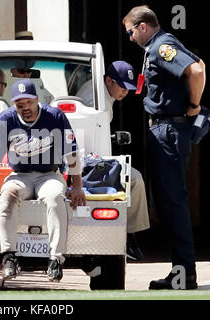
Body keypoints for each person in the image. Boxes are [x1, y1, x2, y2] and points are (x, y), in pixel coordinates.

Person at [123, 5, 206, 290]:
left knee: (173, 202)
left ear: (143, 26)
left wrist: (194, 106)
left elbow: (196, 71)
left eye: (131, 32)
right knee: (169, 201)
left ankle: (184, 275)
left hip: (169, 129)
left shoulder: (162, 47)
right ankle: (181, 273)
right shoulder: (161, 46)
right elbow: (201, 64)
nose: (130, 37)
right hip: (167, 128)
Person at [0, 79, 86, 282]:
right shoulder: (5, 119)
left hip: (50, 174)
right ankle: (8, 257)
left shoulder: (55, 116)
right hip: (20, 175)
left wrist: (77, 186)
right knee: (6, 196)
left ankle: (55, 260)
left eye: (29, 103)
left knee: (54, 198)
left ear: (37, 99)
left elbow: (72, 153)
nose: (25, 108)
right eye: (19, 104)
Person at [76, 61, 150, 261]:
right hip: (87, 162)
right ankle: (129, 237)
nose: (126, 91)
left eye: (129, 87)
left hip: (89, 159)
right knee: (135, 180)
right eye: (122, 85)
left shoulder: (101, 91)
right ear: (109, 80)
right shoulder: (95, 98)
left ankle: (130, 235)